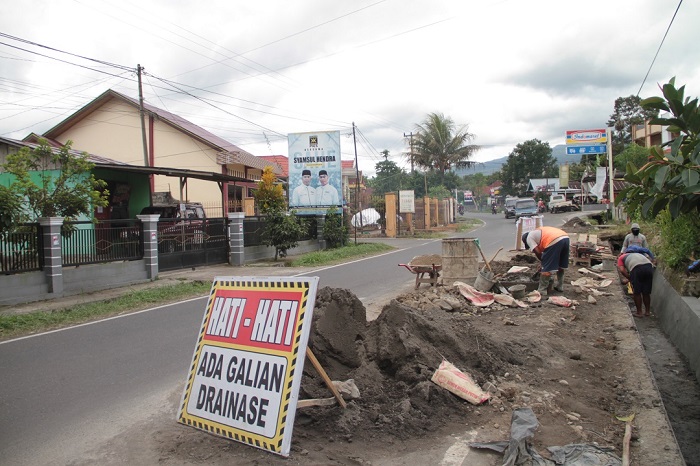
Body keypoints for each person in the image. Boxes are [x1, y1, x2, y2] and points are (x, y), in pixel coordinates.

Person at [521, 226, 570, 295]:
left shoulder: (529, 238)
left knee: (546, 268)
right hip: (565, 237)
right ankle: (560, 286)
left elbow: (537, 252)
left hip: (553, 240)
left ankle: (542, 290)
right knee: (560, 264)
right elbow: (545, 252)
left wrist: (543, 263)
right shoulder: (538, 232)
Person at [617, 251, 655, 317]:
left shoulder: (620, 258)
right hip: (649, 267)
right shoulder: (637, 254)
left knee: (637, 292)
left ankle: (639, 312)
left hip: (637, 268)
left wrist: (629, 278)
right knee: (646, 292)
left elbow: (622, 270)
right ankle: (647, 312)